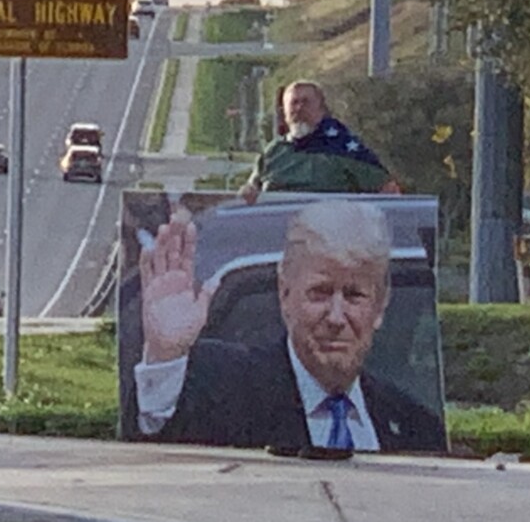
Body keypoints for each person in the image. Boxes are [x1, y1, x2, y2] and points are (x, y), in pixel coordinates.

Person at [132, 199, 444, 453]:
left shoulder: (416, 426)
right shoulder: (223, 385)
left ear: (380, 305)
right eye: (319, 293)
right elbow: (160, 437)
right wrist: (166, 356)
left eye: (354, 296)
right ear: (285, 293)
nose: (336, 317)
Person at [240, 80, 400, 204]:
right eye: (294, 103)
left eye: (306, 102)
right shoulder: (273, 153)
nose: (299, 108)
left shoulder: (343, 149)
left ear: (321, 109)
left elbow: (389, 192)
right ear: (285, 113)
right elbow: (251, 191)